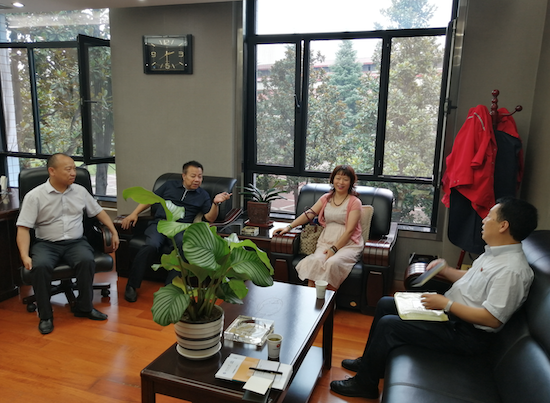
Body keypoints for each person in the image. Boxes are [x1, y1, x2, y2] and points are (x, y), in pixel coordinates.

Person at [330, 197, 538, 400]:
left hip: (467, 335)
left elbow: (492, 319)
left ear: (503, 226)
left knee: (389, 325)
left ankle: (365, 385)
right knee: (386, 304)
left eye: (490, 217)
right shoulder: (495, 253)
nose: (484, 220)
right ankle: (371, 362)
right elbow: (473, 278)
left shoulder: (511, 271)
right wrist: (446, 271)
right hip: (451, 316)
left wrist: (446, 304)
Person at [16, 153, 121, 335]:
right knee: (40, 266)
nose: (74, 173)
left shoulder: (80, 191)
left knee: (86, 260)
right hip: (46, 244)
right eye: (68, 169)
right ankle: (45, 316)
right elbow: (23, 228)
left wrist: (114, 231)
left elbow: (98, 212)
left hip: (76, 242)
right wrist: (24, 255)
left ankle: (84, 308)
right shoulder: (35, 196)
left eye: (74, 168)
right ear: (52, 171)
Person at [121, 160, 231, 302]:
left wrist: (215, 203)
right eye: (193, 176)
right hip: (161, 224)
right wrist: (134, 213)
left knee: (183, 249)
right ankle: (131, 285)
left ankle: (170, 289)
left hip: (182, 227)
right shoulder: (169, 185)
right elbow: (150, 199)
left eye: (200, 176)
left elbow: (210, 218)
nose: (197, 180)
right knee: (150, 246)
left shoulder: (202, 195)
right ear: (183, 176)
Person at [273, 165, 363, 290]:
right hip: (326, 240)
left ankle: (329, 301)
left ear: (351, 182)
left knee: (332, 263)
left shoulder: (354, 202)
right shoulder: (326, 198)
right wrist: (289, 227)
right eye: (338, 178)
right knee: (316, 261)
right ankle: (312, 299)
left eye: (345, 179)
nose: (341, 182)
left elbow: (350, 231)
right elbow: (309, 214)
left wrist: (334, 249)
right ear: (332, 179)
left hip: (348, 244)